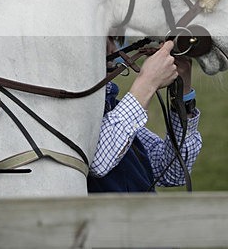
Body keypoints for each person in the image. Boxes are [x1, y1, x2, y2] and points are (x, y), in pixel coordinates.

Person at [87, 38, 202, 193]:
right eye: (109, 38)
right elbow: (98, 163)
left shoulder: (111, 107)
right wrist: (147, 82)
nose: (114, 48)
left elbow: (174, 172)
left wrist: (184, 95)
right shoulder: (72, 111)